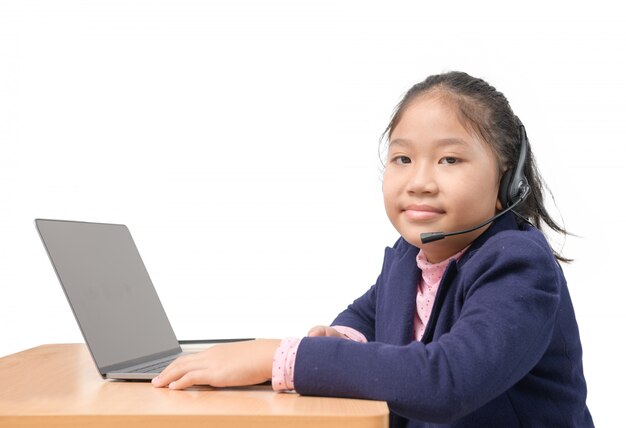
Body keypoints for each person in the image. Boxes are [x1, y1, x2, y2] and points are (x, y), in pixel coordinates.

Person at [152, 71, 594, 427]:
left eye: (449, 160)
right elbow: (367, 314)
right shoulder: (411, 257)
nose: (419, 181)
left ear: (506, 184)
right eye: (403, 158)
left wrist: (280, 357)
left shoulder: (518, 268)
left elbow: (447, 382)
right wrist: (341, 337)